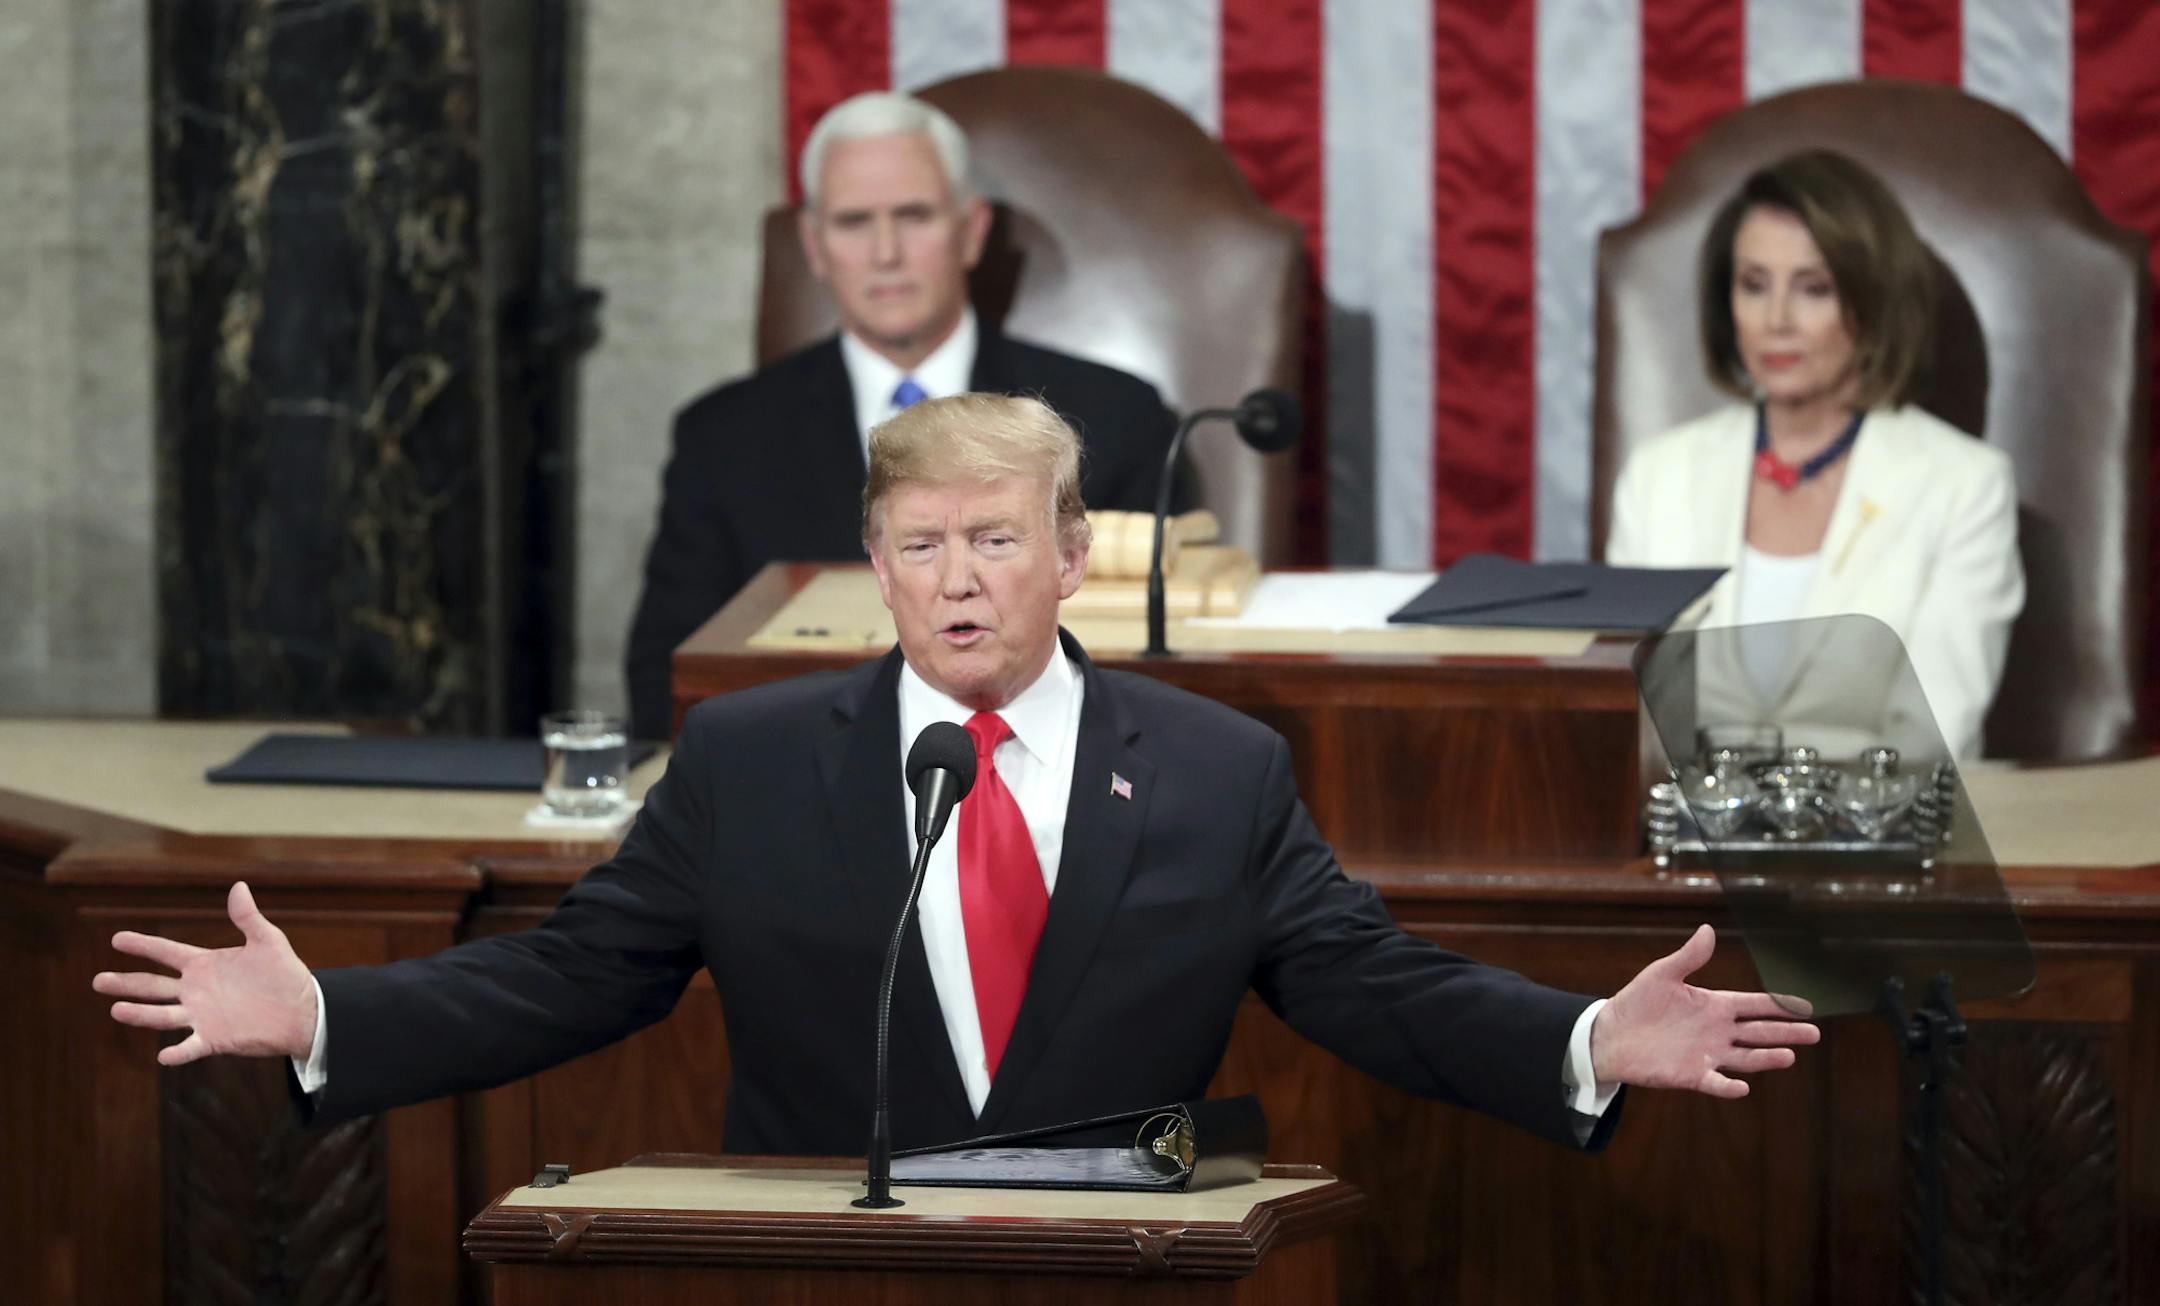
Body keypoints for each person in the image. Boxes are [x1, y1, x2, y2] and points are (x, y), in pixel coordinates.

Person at [97, 394, 1816, 1162]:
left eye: (998, 537)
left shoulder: (1215, 771)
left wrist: (1584, 1036)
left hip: (1132, 1272)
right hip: (820, 1279)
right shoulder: (757, 760)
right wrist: (332, 1016)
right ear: (875, 559)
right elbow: (569, 977)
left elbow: (1374, 986)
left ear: (1075, 550)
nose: (961, 578)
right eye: (921, 543)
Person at [624, 91, 1188, 740]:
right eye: (854, 222)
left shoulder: (1110, 419)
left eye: (914, 216)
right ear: (814, 244)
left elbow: (1152, 668)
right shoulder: (722, 438)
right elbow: (666, 678)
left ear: (970, 231)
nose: (885, 252)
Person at [1607, 149, 2023, 762]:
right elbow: (1631, 718)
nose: (1776, 320)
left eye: (1813, 289)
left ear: (1873, 303)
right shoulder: (1660, 475)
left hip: (1875, 843)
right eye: (1753, 285)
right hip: (1685, 840)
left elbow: (1933, 735)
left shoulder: (1964, 485)